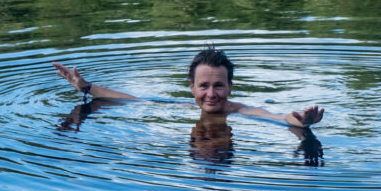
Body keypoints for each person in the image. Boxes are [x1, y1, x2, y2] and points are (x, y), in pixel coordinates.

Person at [52, 46, 325, 128]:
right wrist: (86, 87)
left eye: (218, 86)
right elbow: (132, 99)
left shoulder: (241, 111)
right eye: (203, 86)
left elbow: (276, 117)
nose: (210, 94)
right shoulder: (182, 107)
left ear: (230, 87)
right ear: (192, 88)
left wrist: (301, 122)